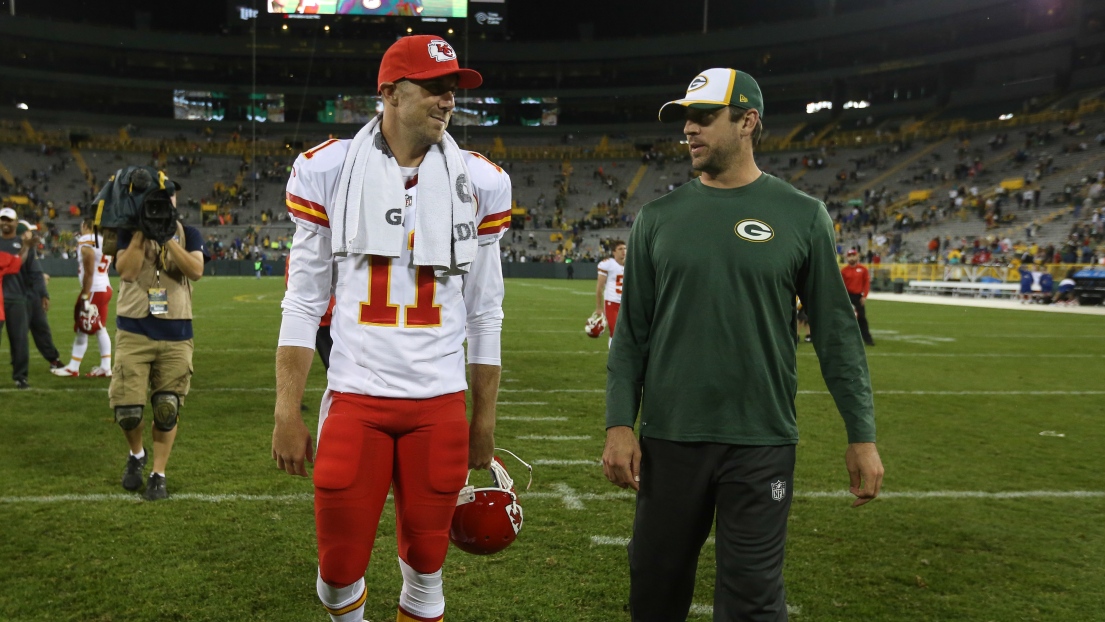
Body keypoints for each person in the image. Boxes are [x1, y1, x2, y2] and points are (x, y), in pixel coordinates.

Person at [602, 68, 884, 622]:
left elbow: (836, 334)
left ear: (748, 121)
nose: (689, 128)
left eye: (705, 117)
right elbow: (631, 333)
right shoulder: (657, 219)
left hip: (761, 439)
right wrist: (618, 424)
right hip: (670, 436)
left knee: (753, 602)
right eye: (687, 117)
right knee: (654, 592)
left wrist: (862, 435)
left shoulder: (802, 215)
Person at [273, 35, 509, 622]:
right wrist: (286, 410)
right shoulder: (326, 169)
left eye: (452, 88)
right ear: (389, 92)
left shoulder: (481, 182)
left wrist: (483, 418)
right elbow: (303, 303)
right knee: (336, 574)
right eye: (433, 86)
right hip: (356, 397)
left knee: (428, 571)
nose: (447, 99)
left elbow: (485, 314)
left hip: (437, 404)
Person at [110, 188, 208, 501]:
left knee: (167, 408)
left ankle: (158, 473)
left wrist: (167, 238)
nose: (161, 206)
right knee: (127, 410)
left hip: (176, 332)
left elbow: (195, 271)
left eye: (168, 199)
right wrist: (141, 233)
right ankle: (136, 453)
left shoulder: (188, 233)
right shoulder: (129, 232)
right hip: (134, 330)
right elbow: (126, 272)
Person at [52, 219, 114, 378]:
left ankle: (74, 367)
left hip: (94, 289)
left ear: (86, 226)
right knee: (100, 327)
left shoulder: (87, 240)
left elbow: (89, 270)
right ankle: (105, 367)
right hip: (105, 287)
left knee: (83, 328)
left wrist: (85, 295)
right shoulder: (105, 240)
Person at [0, 208, 44, 388]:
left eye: (9, 220)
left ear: (16, 222)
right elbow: (15, 264)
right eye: (2, 219)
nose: (5, 223)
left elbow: (33, 271)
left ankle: (20, 377)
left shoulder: (24, 243)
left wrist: (42, 294)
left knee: (19, 340)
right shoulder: (25, 245)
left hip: (18, 298)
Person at [16, 220, 64, 371]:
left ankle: (53, 359)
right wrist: (44, 293)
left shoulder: (25, 248)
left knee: (40, 329)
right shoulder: (18, 248)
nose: (32, 234)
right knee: (32, 331)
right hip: (21, 297)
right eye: (29, 231)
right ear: (24, 233)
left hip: (26, 295)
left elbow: (34, 272)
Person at [595, 240, 626, 348]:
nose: (624, 251)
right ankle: (614, 359)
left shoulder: (631, 263)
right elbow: (599, 287)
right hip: (612, 303)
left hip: (626, 304)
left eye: (625, 248)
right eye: (620, 249)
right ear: (614, 252)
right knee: (614, 331)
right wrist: (599, 307)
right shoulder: (608, 264)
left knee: (626, 333)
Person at [841, 249, 875, 346]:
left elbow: (866, 283)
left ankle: (867, 339)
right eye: (850, 256)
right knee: (846, 318)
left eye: (853, 255)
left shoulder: (863, 269)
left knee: (862, 318)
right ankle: (846, 339)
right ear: (847, 257)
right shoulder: (844, 270)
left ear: (857, 256)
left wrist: (864, 296)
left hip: (858, 296)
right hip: (847, 296)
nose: (851, 258)